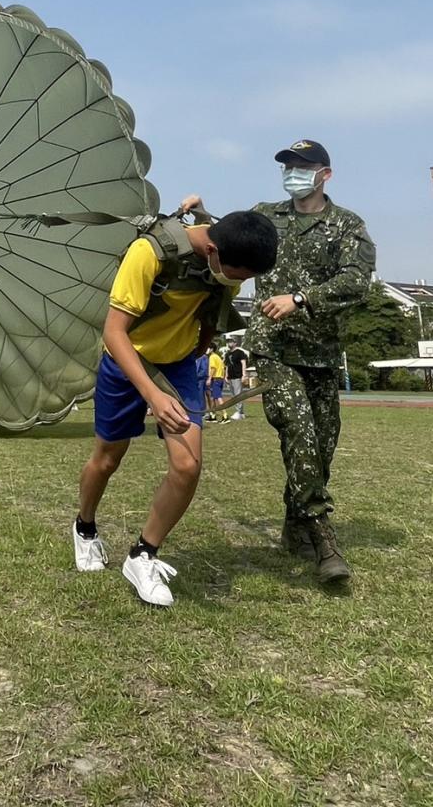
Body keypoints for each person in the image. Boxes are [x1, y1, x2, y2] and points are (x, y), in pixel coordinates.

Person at [72, 207, 278, 607]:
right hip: (127, 361)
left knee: (187, 466)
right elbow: (113, 333)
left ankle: (143, 554)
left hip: (180, 367)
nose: (240, 283)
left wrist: (200, 349)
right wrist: (152, 394)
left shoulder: (226, 267)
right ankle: (85, 528)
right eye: (239, 275)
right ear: (214, 250)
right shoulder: (149, 253)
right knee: (108, 459)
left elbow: (211, 314)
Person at [244, 139, 375, 583]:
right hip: (273, 347)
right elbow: (232, 240)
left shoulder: (346, 225)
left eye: (303, 166)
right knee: (298, 430)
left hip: (319, 353)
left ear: (325, 174)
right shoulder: (266, 214)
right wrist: (202, 214)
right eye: (288, 166)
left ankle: (294, 523)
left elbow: (357, 281)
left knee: (321, 445)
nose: (293, 173)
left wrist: (301, 298)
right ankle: (323, 539)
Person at [225, 340, 248, 420]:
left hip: (238, 376)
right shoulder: (227, 354)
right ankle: (240, 412)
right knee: (233, 395)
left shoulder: (239, 352)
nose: (229, 344)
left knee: (238, 394)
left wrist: (244, 375)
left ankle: (239, 412)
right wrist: (226, 375)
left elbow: (243, 363)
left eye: (231, 342)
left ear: (235, 343)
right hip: (230, 376)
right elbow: (227, 365)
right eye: (228, 342)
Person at [205, 345, 227, 421]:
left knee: (218, 397)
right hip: (220, 378)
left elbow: (213, 368)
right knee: (212, 397)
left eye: (207, 348)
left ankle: (225, 416)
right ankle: (213, 415)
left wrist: (209, 378)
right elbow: (223, 367)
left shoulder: (212, 357)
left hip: (215, 379)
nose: (206, 350)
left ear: (211, 349)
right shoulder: (218, 357)